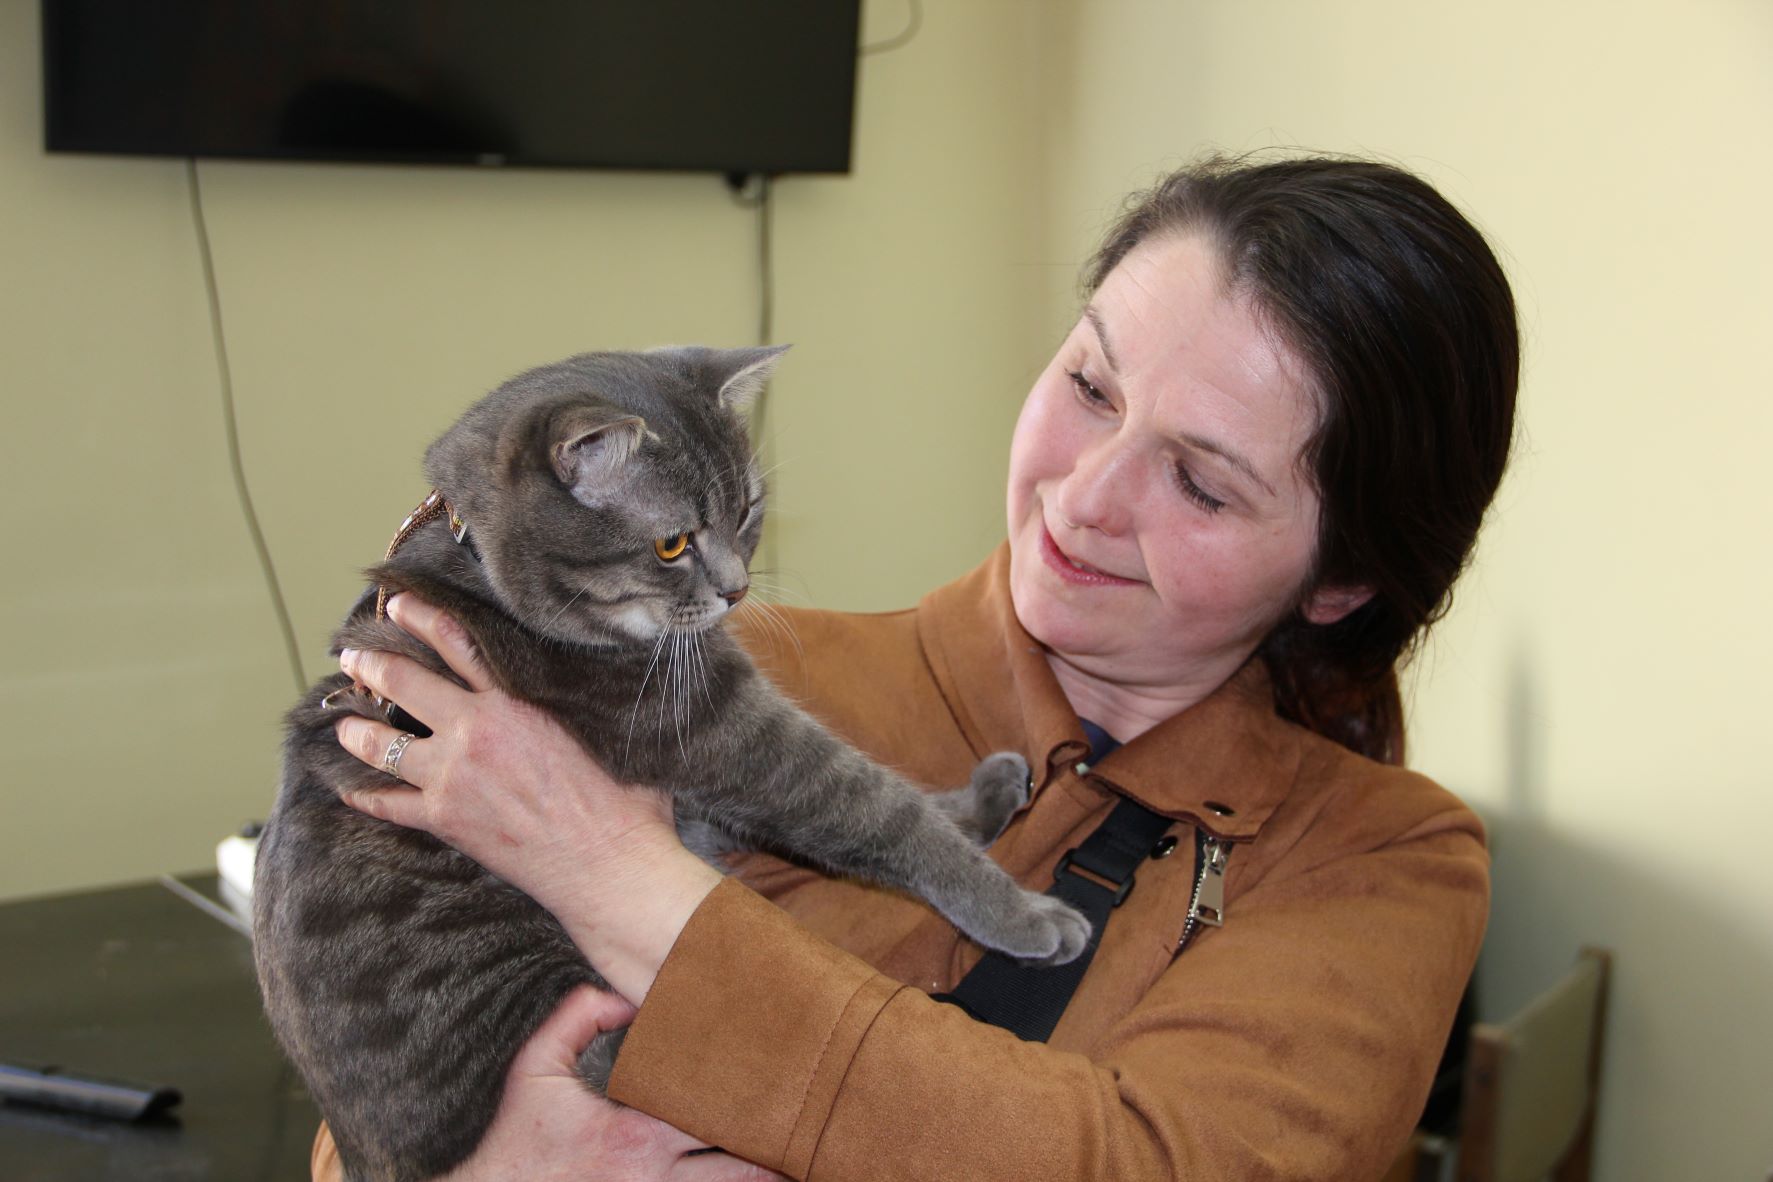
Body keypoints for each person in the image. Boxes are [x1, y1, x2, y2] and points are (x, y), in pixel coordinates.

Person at [316, 152, 1519, 1181]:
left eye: (1201, 483)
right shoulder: (713, 678)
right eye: (1091, 386)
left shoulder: (1381, 862)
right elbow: (366, 1098)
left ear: (1339, 581)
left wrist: (614, 873)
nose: (1084, 497)